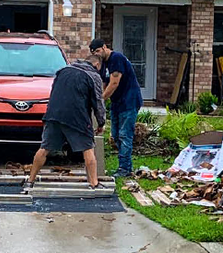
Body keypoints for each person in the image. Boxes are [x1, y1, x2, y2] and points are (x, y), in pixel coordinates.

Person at [26, 53, 106, 190]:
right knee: (88, 148)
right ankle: (94, 184)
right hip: (77, 117)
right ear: (97, 65)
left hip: (53, 114)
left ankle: (30, 180)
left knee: (44, 148)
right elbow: (98, 102)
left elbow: (53, 92)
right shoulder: (93, 76)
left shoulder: (62, 71)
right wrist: (101, 123)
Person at [89, 38, 144, 178]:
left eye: (98, 51)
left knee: (125, 134)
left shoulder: (116, 58)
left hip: (129, 101)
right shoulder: (104, 64)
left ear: (104, 47)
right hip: (117, 102)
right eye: (94, 52)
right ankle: (126, 166)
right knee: (115, 134)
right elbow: (104, 83)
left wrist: (100, 100)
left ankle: (125, 168)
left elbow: (114, 83)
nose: (97, 54)